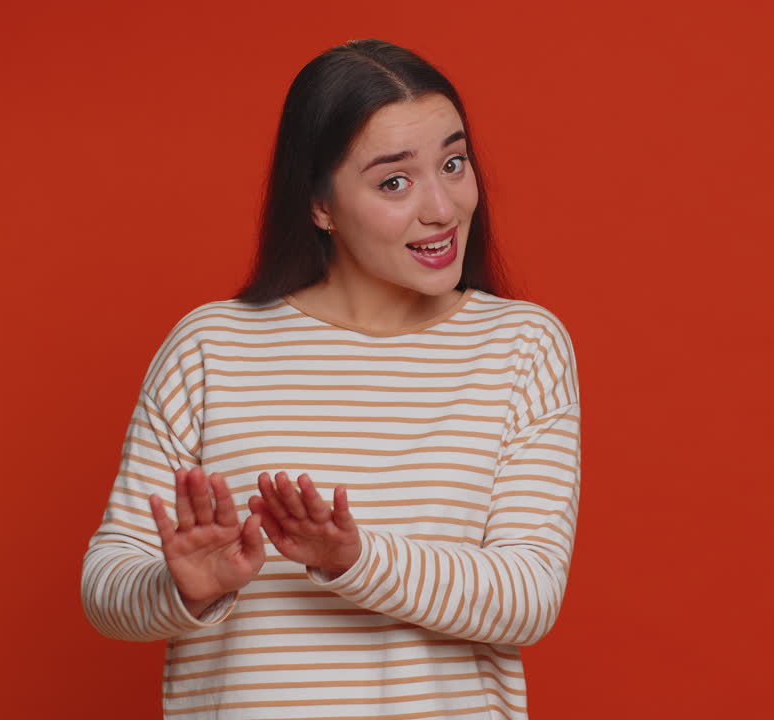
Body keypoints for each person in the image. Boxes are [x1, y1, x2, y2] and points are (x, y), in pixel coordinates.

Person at [81, 38, 581, 719]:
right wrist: (184, 589)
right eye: (395, 182)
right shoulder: (210, 347)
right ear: (320, 203)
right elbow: (107, 583)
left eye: (454, 163)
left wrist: (353, 559)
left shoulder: (520, 347)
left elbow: (529, 598)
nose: (442, 207)